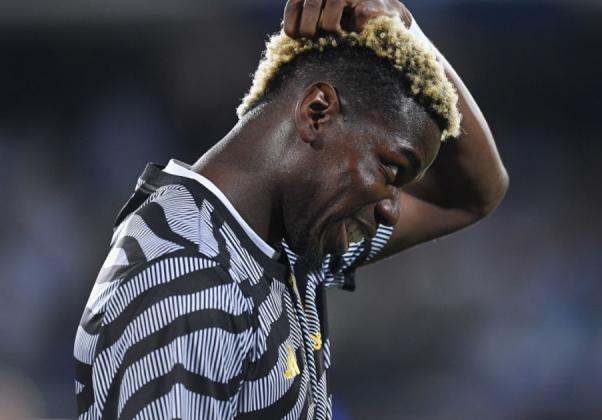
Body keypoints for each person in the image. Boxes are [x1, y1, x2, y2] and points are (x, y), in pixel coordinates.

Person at [73, 0, 508, 418]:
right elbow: (462, 198)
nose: (391, 209)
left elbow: (473, 195)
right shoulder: (186, 280)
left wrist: (406, 30)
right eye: (391, 170)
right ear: (317, 112)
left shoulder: (288, 240)